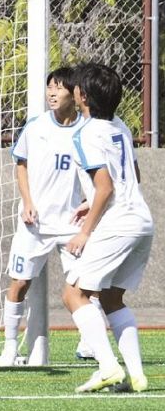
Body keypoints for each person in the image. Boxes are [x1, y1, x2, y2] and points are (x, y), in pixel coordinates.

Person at [63, 63, 153, 393]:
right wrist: (92, 200)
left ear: (82, 96)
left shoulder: (84, 134)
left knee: (74, 293)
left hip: (118, 223)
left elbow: (105, 187)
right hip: (141, 220)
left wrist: (86, 230)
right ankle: (137, 376)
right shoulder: (121, 127)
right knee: (113, 298)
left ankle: (107, 367)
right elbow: (131, 177)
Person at [1, 67, 94, 365]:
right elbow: (21, 164)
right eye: (49, 87)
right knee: (19, 283)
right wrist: (27, 201)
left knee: (86, 283)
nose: (52, 93)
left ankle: (89, 341)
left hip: (71, 224)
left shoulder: (87, 130)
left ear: (75, 94)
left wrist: (88, 202)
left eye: (59, 88)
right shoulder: (36, 125)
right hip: (35, 223)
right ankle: (10, 346)